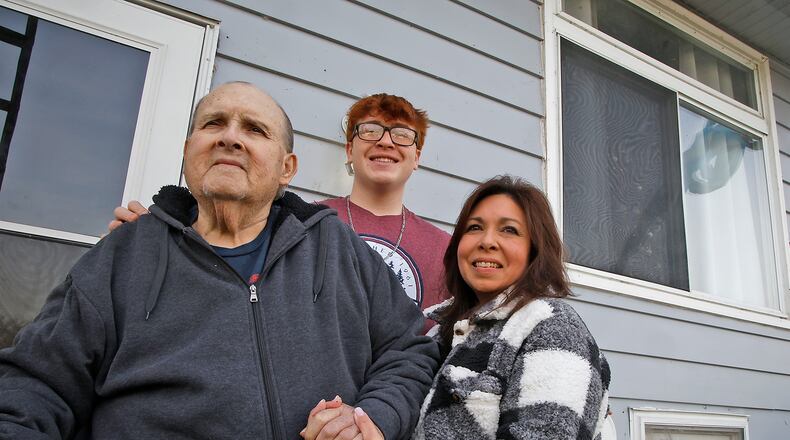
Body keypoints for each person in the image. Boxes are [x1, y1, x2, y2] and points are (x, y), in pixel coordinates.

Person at [0, 82, 438, 439]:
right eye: (214, 123)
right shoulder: (125, 253)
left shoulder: (335, 245)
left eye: (254, 129)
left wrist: (373, 418)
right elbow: (35, 385)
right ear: (190, 148)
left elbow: (410, 350)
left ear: (287, 168)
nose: (230, 136)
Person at [110, 94, 451, 312]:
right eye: (370, 131)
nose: (387, 142)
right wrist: (162, 239)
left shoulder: (447, 249)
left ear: (417, 156)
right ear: (350, 150)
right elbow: (222, 258)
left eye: (403, 135)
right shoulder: (295, 221)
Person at [412, 175, 611, 439]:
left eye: (509, 230)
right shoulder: (435, 332)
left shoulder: (552, 326)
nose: (487, 241)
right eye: (474, 228)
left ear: (535, 251)